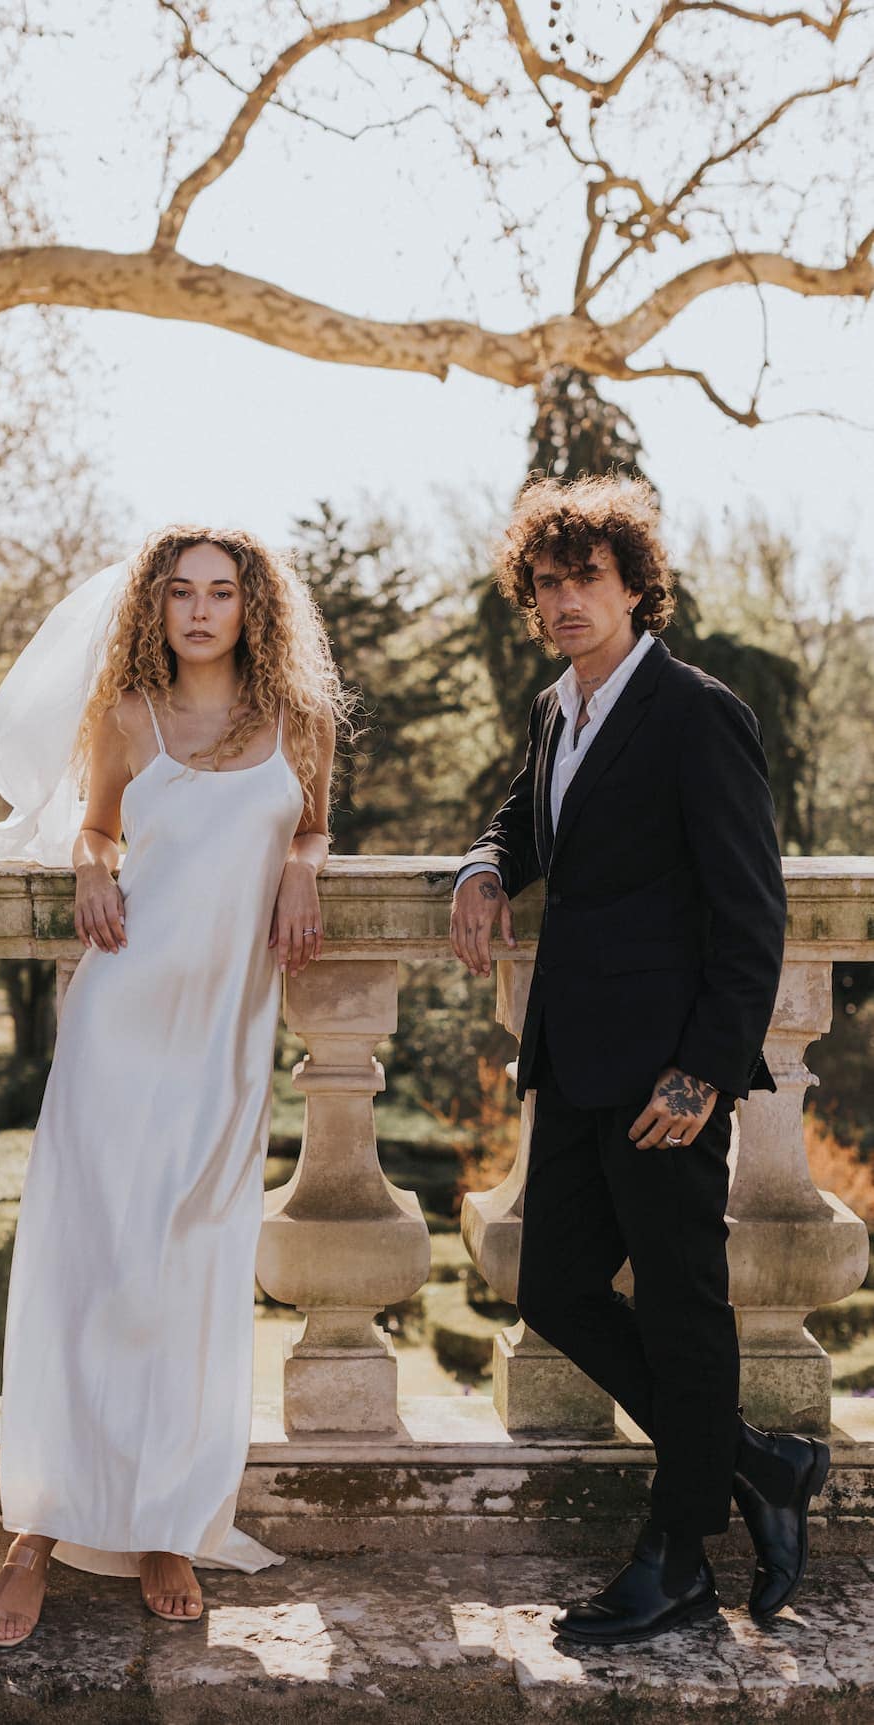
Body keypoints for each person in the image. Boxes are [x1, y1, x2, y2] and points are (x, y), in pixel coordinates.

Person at [0, 525, 345, 1644]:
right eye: (181, 593)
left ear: (251, 609)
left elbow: (307, 829)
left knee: (194, 1269)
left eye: (222, 592)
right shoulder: (123, 717)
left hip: (224, 1031)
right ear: (154, 608)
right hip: (121, 1020)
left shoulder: (296, 723)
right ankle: (39, 1535)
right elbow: (98, 827)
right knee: (92, 1260)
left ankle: (171, 1516)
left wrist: (304, 870)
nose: (201, 611)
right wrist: (87, 866)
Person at [450, 474, 828, 1646]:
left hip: (667, 1067)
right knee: (553, 1285)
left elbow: (749, 907)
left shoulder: (694, 709)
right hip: (571, 1056)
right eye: (548, 583)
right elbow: (525, 815)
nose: (566, 601)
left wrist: (704, 1068)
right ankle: (757, 1461)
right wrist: (478, 865)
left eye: (587, 580)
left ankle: (675, 1561)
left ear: (632, 587)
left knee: (678, 1306)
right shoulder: (555, 708)